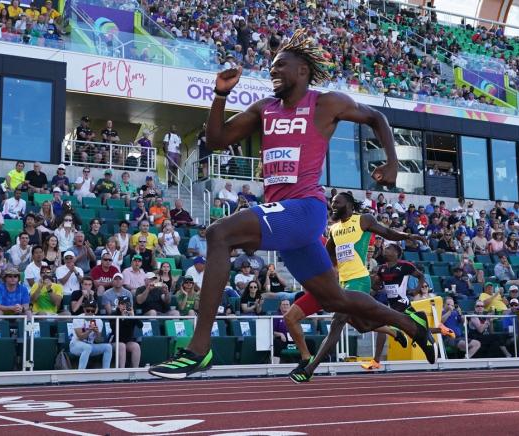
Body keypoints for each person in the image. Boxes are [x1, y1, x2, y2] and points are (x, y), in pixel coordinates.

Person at [149, 30, 435, 379]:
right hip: (286, 222)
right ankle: (411, 323)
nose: (274, 72)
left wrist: (392, 162)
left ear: (302, 71)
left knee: (219, 233)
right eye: (271, 67)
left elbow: (377, 117)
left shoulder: (325, 102)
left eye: (281, 66)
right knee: (336, 300)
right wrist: (220, 95)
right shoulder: (264, 109)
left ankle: (199, 349)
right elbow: (217, 139)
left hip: (305, 209)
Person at [287, 192, 430, 381]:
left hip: (359, 279)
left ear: (348, 203)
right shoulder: (334, 229)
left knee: (337, 323)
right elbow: (329, 257)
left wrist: (409, 235)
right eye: (332, 203)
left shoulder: (363, 220)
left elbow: (387, 232)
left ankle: (309, 370)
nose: (333, 205)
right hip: (343, 283)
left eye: (337, 202)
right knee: (363, 326)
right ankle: (410, 319)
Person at [70, 299, 112, 370]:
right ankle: (80, 374)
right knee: (87, 347)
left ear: (95, 311)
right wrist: (89, 330)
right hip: (76, 345)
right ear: (84, 309)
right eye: (88, 310)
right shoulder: (78, 318)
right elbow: (80, 337)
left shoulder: (98, 321)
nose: (90, 313)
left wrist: (97, 332)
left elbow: (98, 340)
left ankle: (106, 373)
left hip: (90, 345)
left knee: (108, 347)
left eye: (92, 311)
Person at [109, 296, 141, 368]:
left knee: (136, 346)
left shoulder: (132, 313)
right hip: (115, 341)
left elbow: (140, 325)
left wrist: (133, 316)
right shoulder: (114, 314)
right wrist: (122, 318)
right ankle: (121, 371)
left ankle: (134, 371)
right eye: (122, 304)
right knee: (122, 346)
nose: (124, 306)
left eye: (126, 304)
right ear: (118, 305)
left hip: (128, 341)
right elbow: (114, 329)